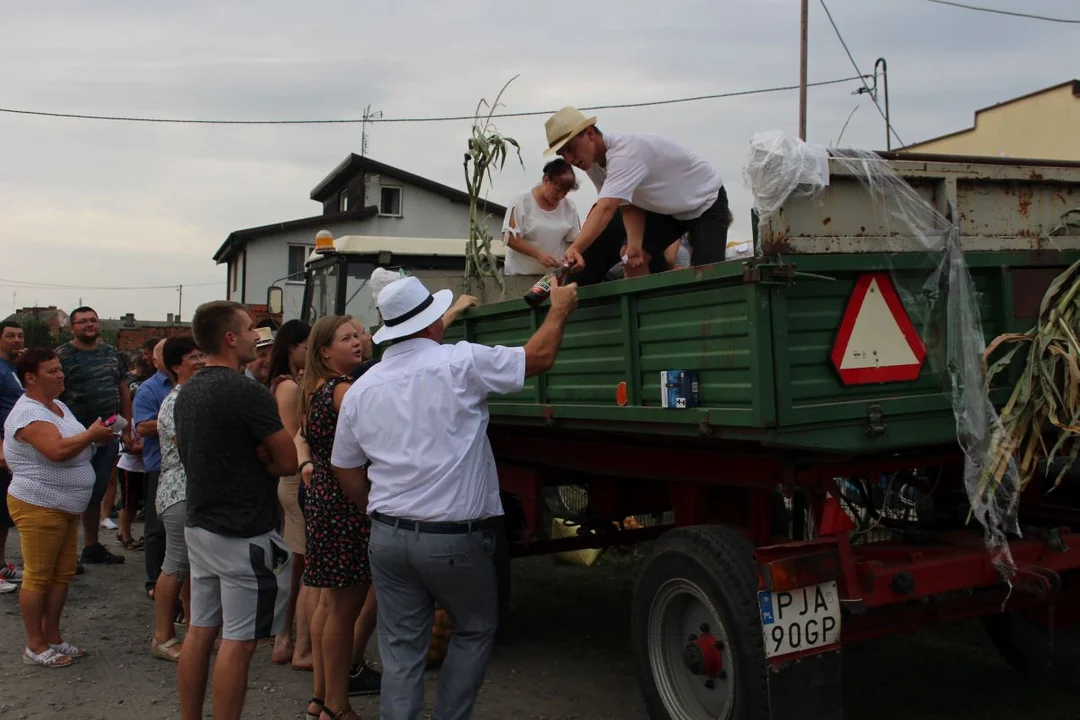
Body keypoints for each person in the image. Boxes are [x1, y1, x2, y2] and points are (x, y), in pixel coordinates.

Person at [331, 275, 578, 719]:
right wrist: (559, 308)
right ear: (432, 324)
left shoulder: (361, 389)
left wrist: (372, 509)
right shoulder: (458, 362)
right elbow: (537, 357)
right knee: (474, 628)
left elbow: (344, 466)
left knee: (402, 648)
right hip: (454, 537)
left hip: (387, 534)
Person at [174, 301, 296, 720]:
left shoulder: (188, 389)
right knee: (239, 642)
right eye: (248, 329)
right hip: (243, 532)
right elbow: (288, 461)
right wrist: (263, 457)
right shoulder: (245, 390)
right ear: (229, 337)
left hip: (201, 524)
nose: (256, 337)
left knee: (200, 631)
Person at [3, 348, 116, 667]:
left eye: (59, 369)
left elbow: (73, 441)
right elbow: (56, 450)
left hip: (64, 505)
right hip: (39, 503)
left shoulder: (58, 406)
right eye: (52, 371)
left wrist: (94, 436)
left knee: (61, 573)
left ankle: (52, 636)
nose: (60, 374)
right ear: (30, 378)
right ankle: (34, 645)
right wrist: (91, 435)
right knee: (39, 576)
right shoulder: (28, 413)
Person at [543, 106, 729, 284]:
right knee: (633, 261)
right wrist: (634, 245)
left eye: (570, 149)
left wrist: (575, 248)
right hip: (665, 210)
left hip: (705, 202)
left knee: (708, 277)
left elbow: (606, 208)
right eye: (562, 154)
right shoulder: (593, 164)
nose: (569, 160)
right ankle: (651, 314)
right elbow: (628, 206)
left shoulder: (624, 154)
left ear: (590, 133)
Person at [299, 316, 380, 720]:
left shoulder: (313, 388)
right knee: (344, 610)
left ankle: (320, 699)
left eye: (357, 336)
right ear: (324, 351)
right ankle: (337, 705)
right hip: (347, 503)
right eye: (346, 338)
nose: (357, 343)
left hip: (325, 500)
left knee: (330, 606)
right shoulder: (342, 390)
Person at [55, 307, 130, 566]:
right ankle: (66, 554)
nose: (89, 325)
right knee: (72, 491)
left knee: (96, 491)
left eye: (93, 320)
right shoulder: (62, 355)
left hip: (107, 435)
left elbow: (123, 388)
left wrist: (128, 428)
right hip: (74, 436)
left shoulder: (111, 353)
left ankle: (91, 546)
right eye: (83, 321)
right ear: (72, 327)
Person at [150, 336, 205, 662]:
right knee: (175, 565)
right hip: (178, 493)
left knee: (191, 567)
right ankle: (162, 636)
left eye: (201, 355)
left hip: (192, 492)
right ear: (175, 366)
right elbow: (191, 445)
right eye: (191, 357)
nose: (199, 361)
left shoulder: (192, 396)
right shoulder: (177, 402)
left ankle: (193, 631)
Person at [266, 319, 315, 669]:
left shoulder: (287, 384)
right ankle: (289, 640)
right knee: (299, 565)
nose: (312, 351)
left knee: (296, 562)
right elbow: (294, 435)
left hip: (293, 480)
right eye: (307, 345)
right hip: (297, 479)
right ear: (293, 348)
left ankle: (286, 638)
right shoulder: (289, 388)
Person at [133, 338, 172, 599]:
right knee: (157, 528)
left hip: (190, 465)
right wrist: (174, 420)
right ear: (156, 360)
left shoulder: (192, 384)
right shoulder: (149, 389)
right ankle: (154, 582)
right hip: (160, 465)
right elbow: (142, 427)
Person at [501, 158, 581, 276]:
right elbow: (509, 238)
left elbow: (574, 241)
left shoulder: (570, 207)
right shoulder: (522, 202)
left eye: (565, 192)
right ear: (546, 180)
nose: (560, 196)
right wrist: (538, 255)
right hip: (520, 277)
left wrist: (571, 258)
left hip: (553, 279)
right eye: (557, 190)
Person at [0, 320, 26, 593]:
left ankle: (2, 565)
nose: (16, 340)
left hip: (15, 445)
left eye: (19, 336)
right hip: (2, 446)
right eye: (10, 336)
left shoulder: (15, 368)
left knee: (3, 514)